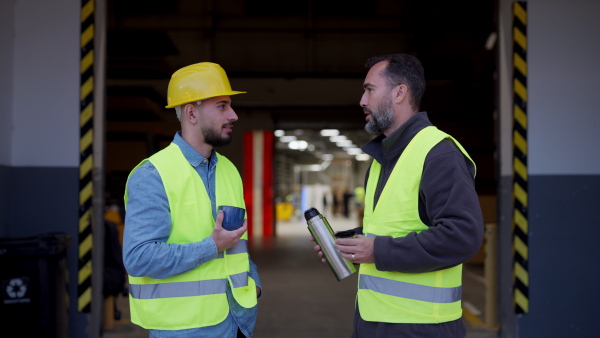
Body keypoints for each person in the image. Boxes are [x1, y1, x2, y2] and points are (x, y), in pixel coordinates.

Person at [312, 54, 484, 337]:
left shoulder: (439, 153)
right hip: (374, 321)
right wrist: (353, 244)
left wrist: (376, 250)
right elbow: (392, 227)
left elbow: (462, 235)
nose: (362, 101)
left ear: (400, 92)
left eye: (369, 90)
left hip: (423, 327)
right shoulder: (382, 159)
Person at [123, 62, 261, 338]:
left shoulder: (229, 170)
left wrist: (255, 283)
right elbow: (139, 258)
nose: (233, 115)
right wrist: (211, 246)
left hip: (237, 323)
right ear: (191, 113)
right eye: (222, 106)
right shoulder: (153, 175)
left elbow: (236, 244)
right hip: (184, 329)